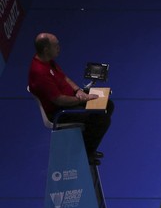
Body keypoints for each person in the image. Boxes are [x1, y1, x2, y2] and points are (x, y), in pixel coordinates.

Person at [27, 33, 114, 165]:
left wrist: (78, 90)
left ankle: (87, 144)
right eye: (56, 45)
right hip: (59, 111)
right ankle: (85, 153)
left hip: (72, 98)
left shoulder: (47, 60)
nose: (59, 48)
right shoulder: (39, 72)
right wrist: (83, 99)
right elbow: (59, 100)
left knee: (108, 104)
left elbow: (64, 78)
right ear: (46, 49)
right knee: (102, 118)